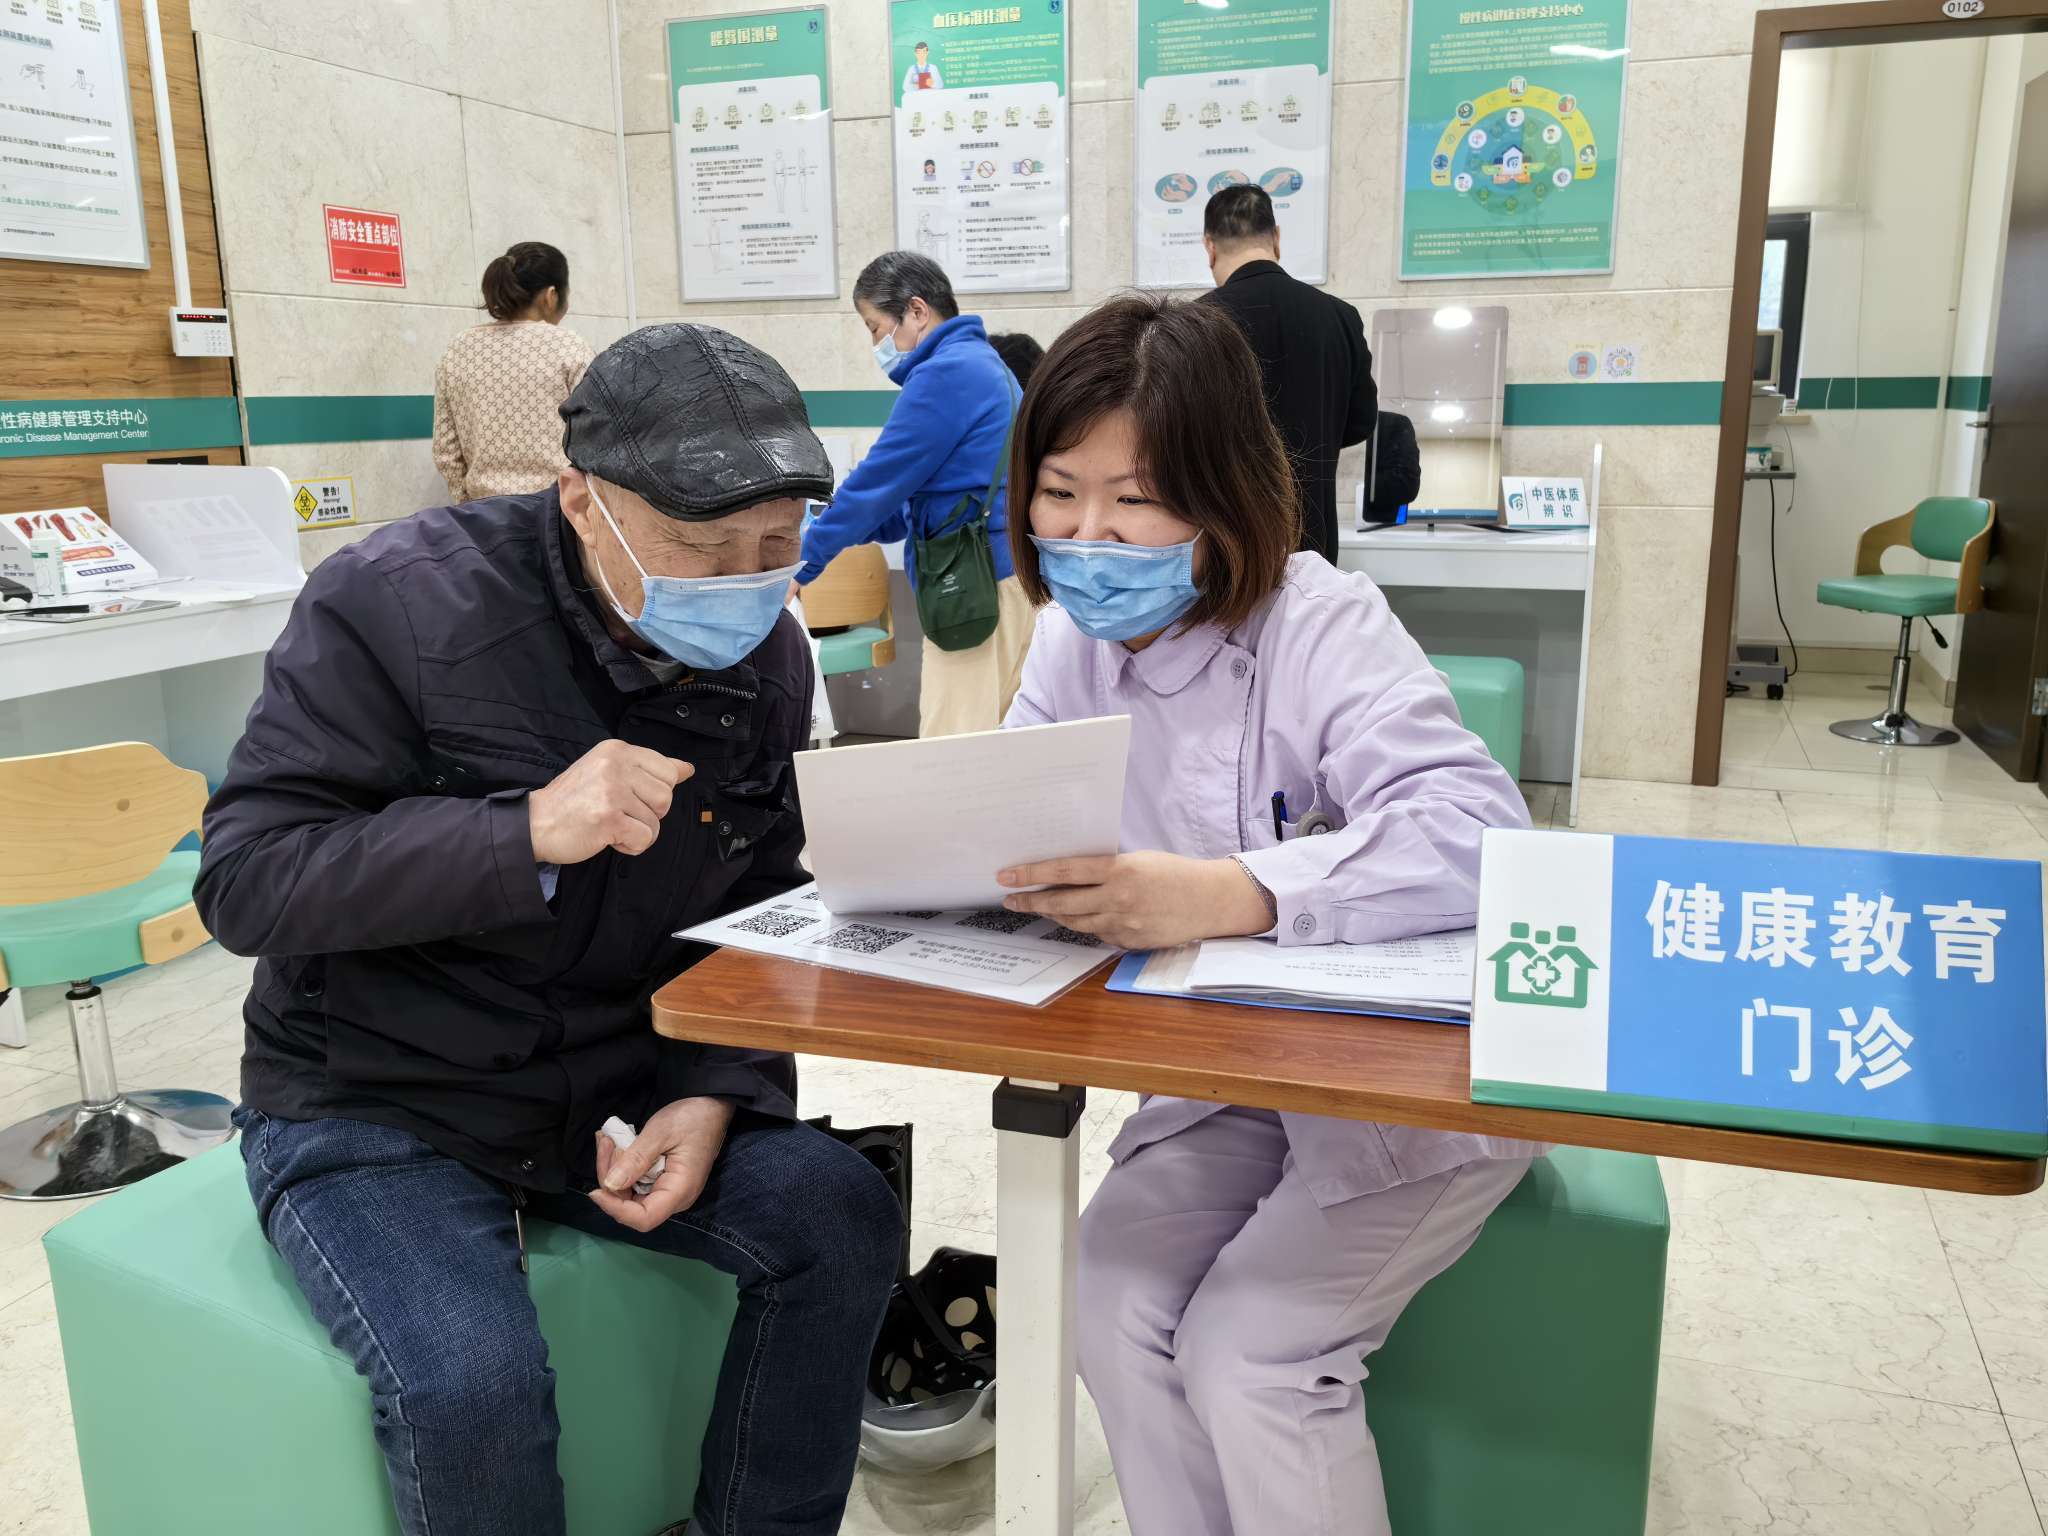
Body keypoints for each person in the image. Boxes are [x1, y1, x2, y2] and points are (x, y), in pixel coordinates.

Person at [196, 324, 902, 1536]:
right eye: (700, 550)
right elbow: (248, 880)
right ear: (582, 501)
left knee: (841, 1217)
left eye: (775, 546)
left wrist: (714, 1085)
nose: (742, 583)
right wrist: (518, 831)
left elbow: (761, 898)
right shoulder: (395, 603)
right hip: (380, 1094)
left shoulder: (769, 654)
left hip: (616, 1081)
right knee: (470, 1383)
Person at [993, 295, 1542, 1536]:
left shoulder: (1319, 621)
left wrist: (1228, 892)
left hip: (1400, 1086)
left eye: (1133, 499)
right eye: (1059, 493)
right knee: (1102, 1302)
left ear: (1222, 493)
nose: (1087, 535)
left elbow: (1476, 830)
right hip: (1227, 1072)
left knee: (1250, 1356)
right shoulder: (1067, 644)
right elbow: (1017, 812)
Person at [797, 251, 1030, 737]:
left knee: (953, 747)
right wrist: (860, 524)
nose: (876, 344)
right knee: (996, 736)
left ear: (917, 311)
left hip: (973, 587)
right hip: (1007, 577)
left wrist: (803, 559)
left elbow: (879, 479)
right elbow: (922, 497)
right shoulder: (983, 364)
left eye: (875, 328)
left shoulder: (946, 372)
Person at [1198, 184, 1376, 563]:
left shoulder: (1195, 322)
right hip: (1314, 543)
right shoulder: (1340, 316)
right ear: (1276, 238)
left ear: (1209, 247)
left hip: (1226, 545)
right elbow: (1361, 422)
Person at [432, 241, 594, 504]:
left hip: (483, 512)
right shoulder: (569, 346)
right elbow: (596, 437)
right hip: (558, 509)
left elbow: (446, 451)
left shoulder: (459, 349)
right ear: (551, 295)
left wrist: (468, 503)